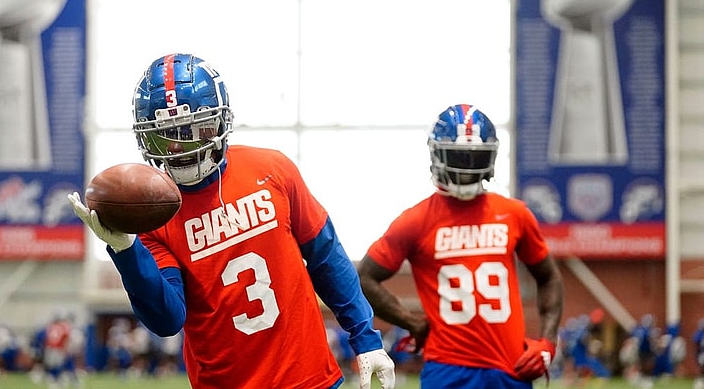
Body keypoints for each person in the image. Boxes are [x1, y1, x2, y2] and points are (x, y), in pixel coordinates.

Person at [68, 53, 395, 389]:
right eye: (163, 135)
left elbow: (325, 255)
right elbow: (167, 319)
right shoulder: (155, 216)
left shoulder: (272, 170)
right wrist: (126, 250)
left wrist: (365, 335)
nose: (179, 146)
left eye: (191, 130)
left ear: (220, 121)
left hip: (309, 379)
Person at [357, 104, 564, 388]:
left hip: (511, 367)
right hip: (448, 368)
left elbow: (549, 276)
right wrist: (411, 322)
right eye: (458, 157)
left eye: (473, 158)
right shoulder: (415, 221)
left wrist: (549, 342)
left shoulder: (514, 214)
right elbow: (365, 277)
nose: (465, 166)